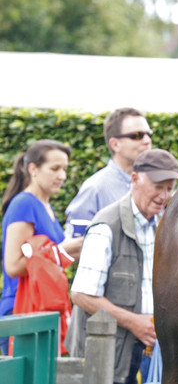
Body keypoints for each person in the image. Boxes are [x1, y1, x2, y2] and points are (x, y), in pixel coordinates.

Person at [68, 149, 178, 384]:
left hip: (149, 349)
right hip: (107, 354)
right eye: (158, 186)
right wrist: (136, 322)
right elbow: (81, 295)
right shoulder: (106, 225)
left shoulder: (165, 223)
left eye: (169, 188)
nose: (164, 195)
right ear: (134, 179)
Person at [1, 139, 83, 355]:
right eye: (55, 169)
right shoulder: (24, 204)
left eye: (64, 169)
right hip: (22, 309)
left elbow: (47, 257)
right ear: (33, 169)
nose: (62, 176)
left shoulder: (46, 205)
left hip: (41, 307)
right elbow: (13, 265)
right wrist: (62, 251)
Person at [64, 107, 152, 236]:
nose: (147, 141)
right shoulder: (95, 188)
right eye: (137, 136)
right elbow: (75, 244)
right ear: (115, 144)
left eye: (149, 134)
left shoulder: (154, 184)